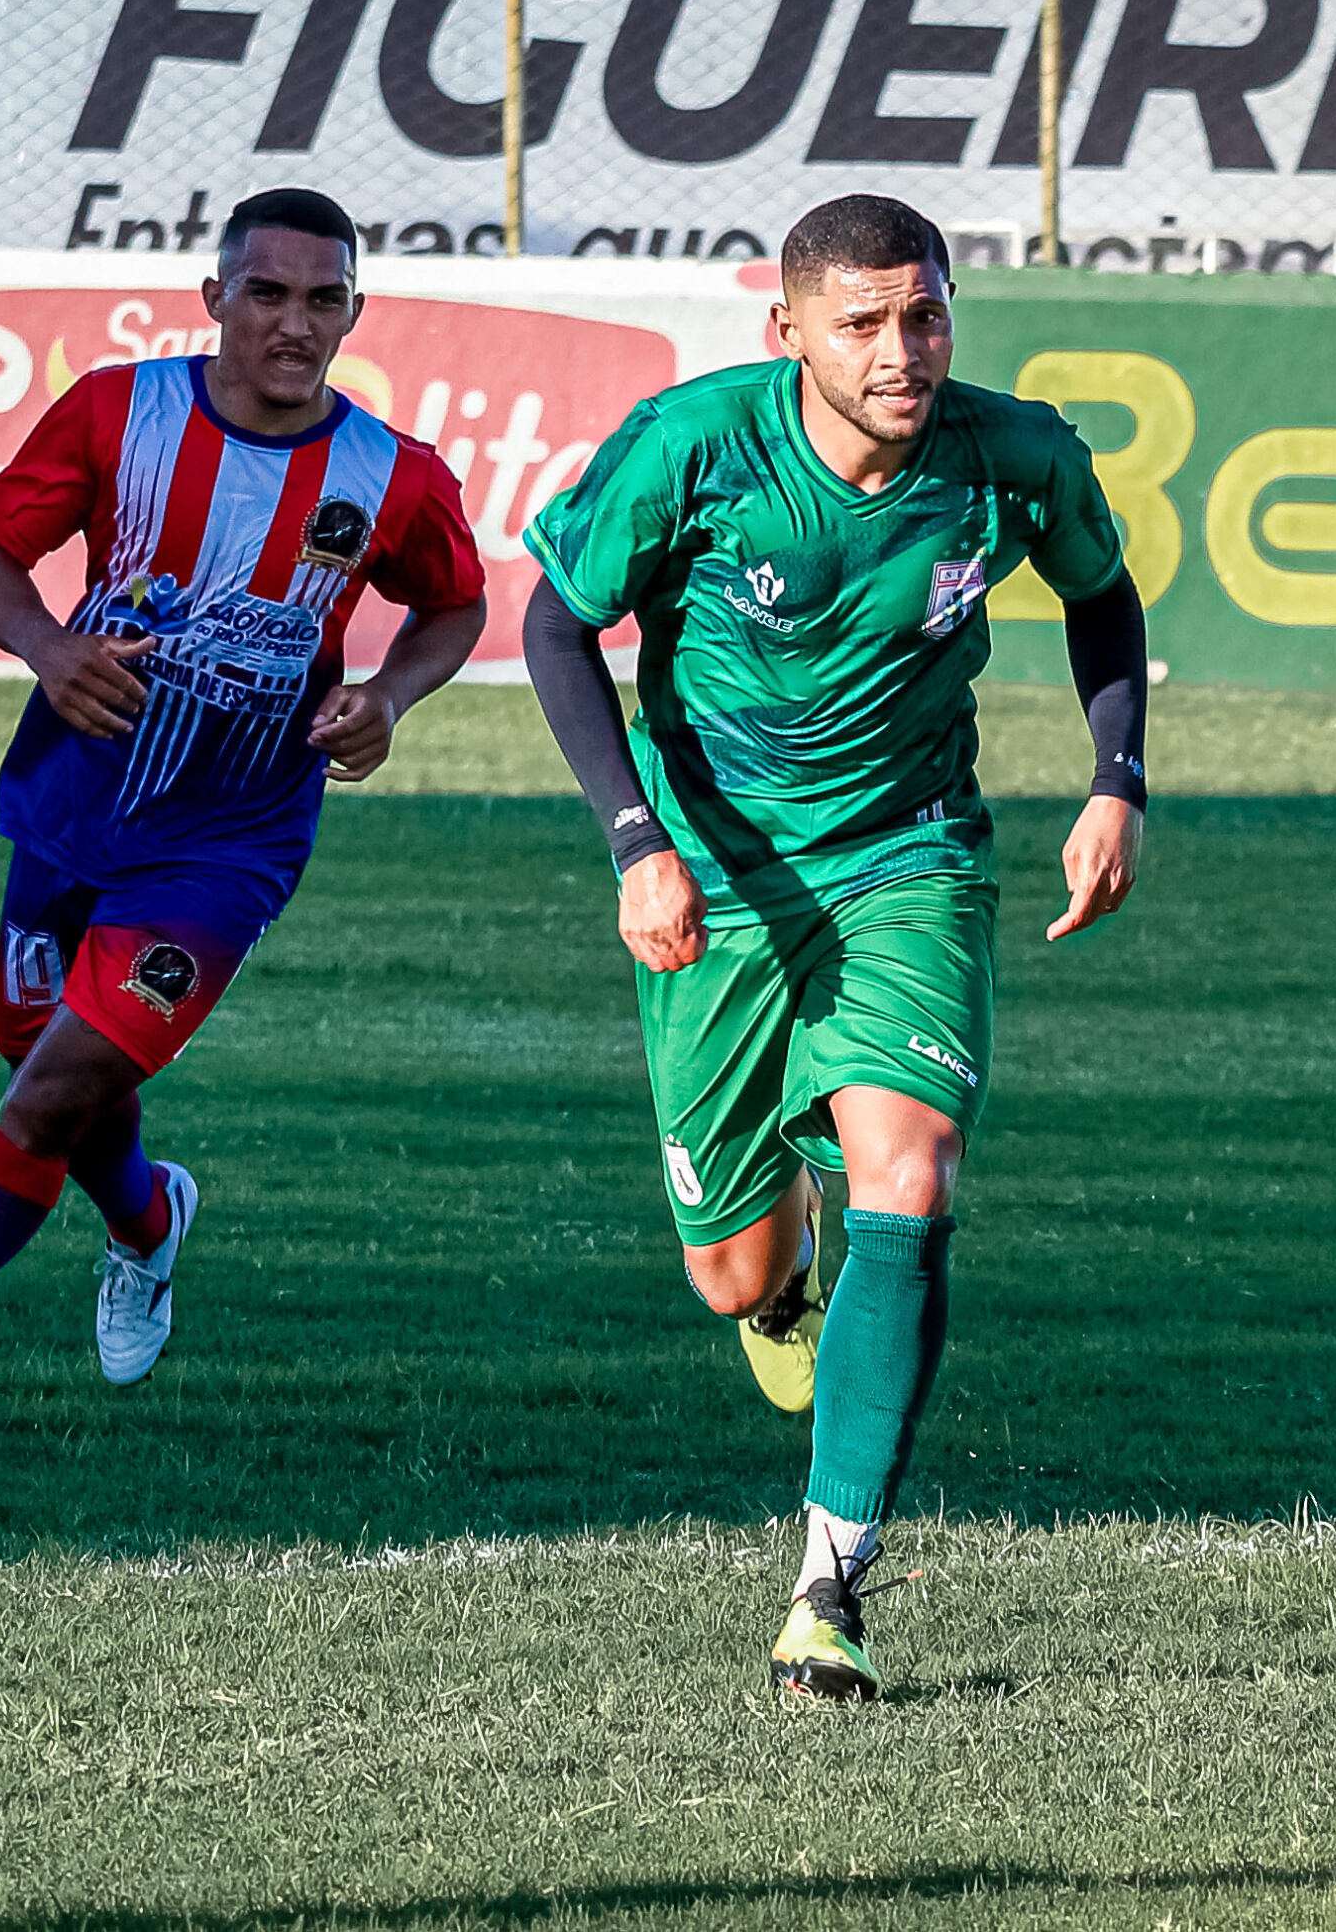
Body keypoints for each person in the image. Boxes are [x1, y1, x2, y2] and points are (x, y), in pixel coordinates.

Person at [521, 193, 1148, 1699]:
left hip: (910, 862)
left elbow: (1104, 597)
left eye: (923, 314)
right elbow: (556, 627)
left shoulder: (1016, 456)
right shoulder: (696, 447)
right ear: (788, 330)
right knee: (736, 1280)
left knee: (911, 1176)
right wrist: (635, 838)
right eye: (861, 322)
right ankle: (792, 1276)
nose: (900, 350)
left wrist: (1115, 779)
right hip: (714, 881)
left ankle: (831, 1583)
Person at [0, 188, 486, 1437]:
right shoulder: (117, 410)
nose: (294, 321)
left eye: (324, 298)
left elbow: (457, 607)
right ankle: (148, 1223)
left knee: (46, 1098)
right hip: (70, 803)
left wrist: (390, 695)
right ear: (215, 300)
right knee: (32, 1053)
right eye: (266, 291)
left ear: (355, 312)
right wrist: (51, 649)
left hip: (227, 847)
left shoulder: (391, 476)